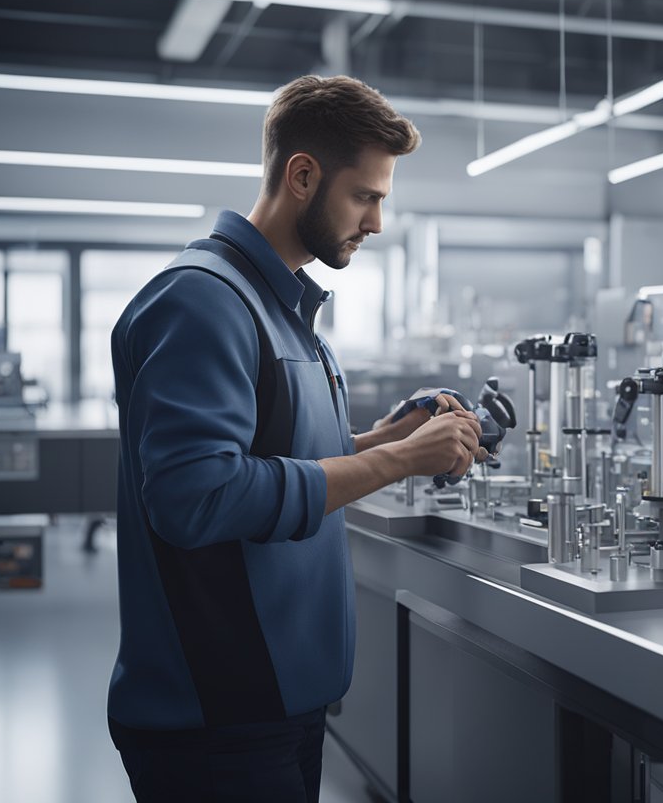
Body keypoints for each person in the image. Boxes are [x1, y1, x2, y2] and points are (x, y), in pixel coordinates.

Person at [106, 74, 484, 802]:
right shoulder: (202, 300)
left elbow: (287, 456)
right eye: (366, 196)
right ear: (303, 176)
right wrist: (399, 459)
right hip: (217, 722)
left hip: (279, 706)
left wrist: (384, 437)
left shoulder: (286, 310)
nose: (376, 222)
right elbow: (197, 495)